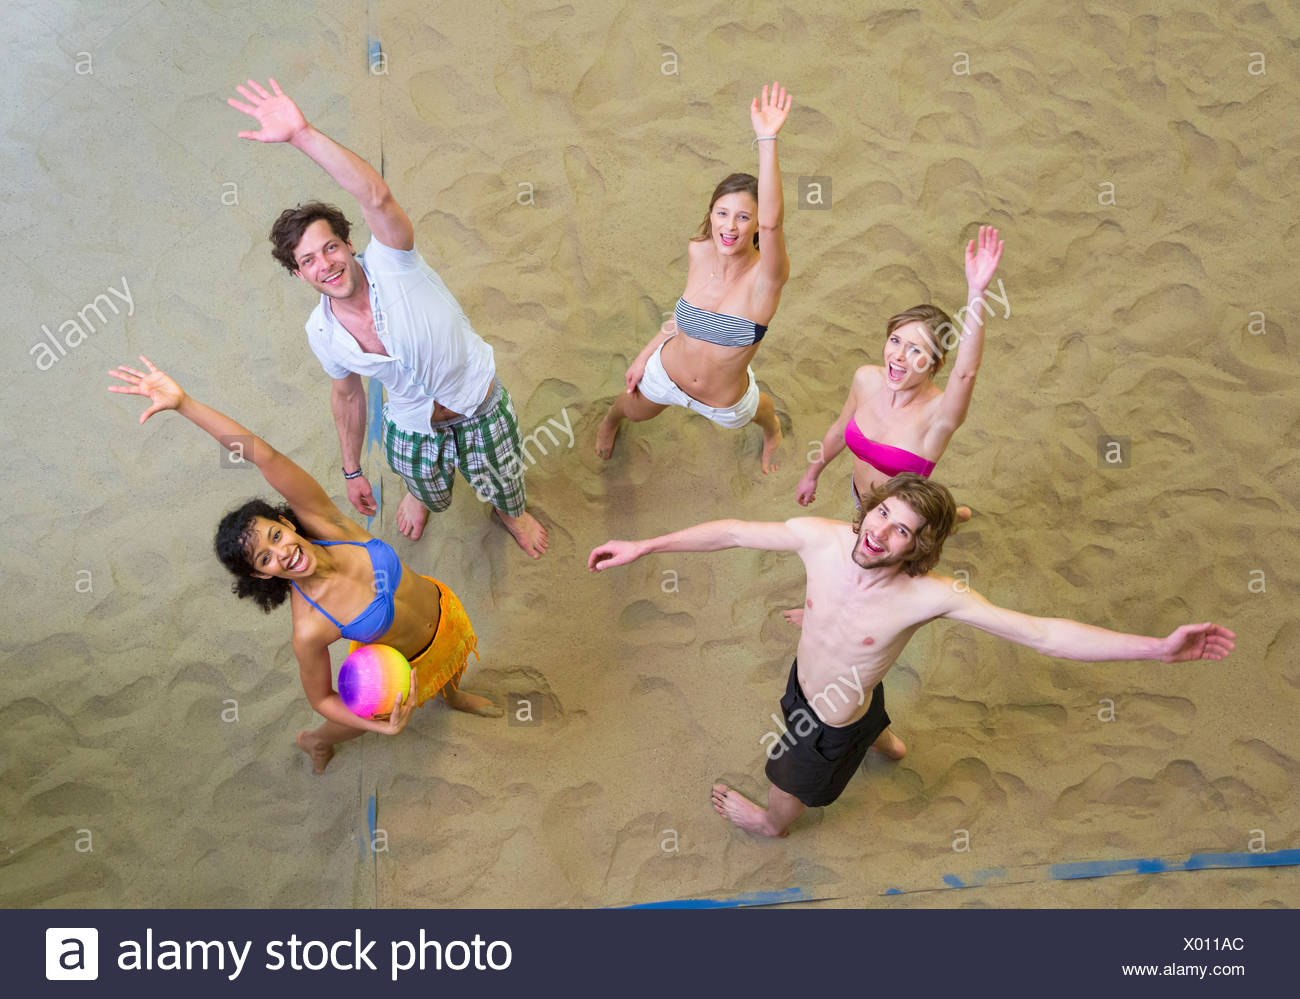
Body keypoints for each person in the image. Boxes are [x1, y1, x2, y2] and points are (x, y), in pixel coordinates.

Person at [588, 473, 1234, 838]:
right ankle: (885, 742)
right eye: (882, 513)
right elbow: (731, 531)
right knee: (870, 712)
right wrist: (646, 546)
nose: (879, 531)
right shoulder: (821, 539)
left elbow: (1041, 633)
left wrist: (1156, 648)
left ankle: (771, 823)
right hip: (816, 686)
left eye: (902, 529)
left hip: (824, 727)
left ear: (918, 548)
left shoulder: (931, 595)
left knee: (788, 783)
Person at [108, 357, 502, 775]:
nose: (281, 553)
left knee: (454, 659)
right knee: (355, 720)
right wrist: (379, 727)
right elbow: (322, 699)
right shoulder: (310, 628)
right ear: (262, 574)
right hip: (404, 666)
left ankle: (452, 696)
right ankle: (316, 740)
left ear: (286, 523)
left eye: (275, 536)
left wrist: (185, 404)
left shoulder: (331, 526)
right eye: (265, 558)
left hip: (445, 615)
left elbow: (263, 456)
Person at [227, 77, 548, 558]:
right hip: (411, 425)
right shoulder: (322, 332)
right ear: (298, 274)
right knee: (427, 488)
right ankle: (420, 494)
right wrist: (352, 469)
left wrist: (302, 135)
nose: (325, 265)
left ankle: (510, 512)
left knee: (504, 478)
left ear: (349, 243)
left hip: (477, 402)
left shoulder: (395, 260)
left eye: (330, 247)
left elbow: (375, 196)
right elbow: (347, 394)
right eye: (308, 260)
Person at [784, 226, 1003, 626]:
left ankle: (824, 613)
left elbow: (967, 373)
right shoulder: (867, 379)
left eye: (916, 350)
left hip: (900, 519)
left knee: (869, 575)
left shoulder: (940, 416)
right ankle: (953, 515)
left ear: (935, 365)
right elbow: (839, 428)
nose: (899, 356)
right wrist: (813, 472)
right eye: (896, 341)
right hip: (865, 499)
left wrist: (977, 292)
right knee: (901, 526)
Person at [596, 82, 792, 474]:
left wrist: (767, 140)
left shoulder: (766, 279)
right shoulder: (699, 251)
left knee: (759, 410)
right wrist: (644, 355)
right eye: (722, 213)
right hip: (667, 376)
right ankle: (609, 422)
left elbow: (774, 224)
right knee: (629, 408)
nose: (730, 227)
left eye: (743, 217)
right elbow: (684, 319)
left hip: (724, 403)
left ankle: (773, 430)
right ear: (711, 214)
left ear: (757, 225)